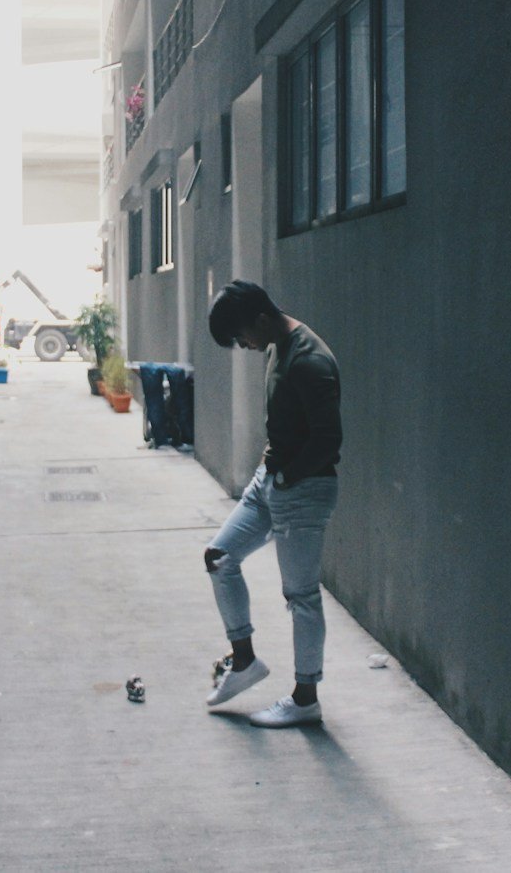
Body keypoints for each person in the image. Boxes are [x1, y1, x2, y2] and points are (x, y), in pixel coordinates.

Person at [202, 280, 342, 727]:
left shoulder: (310, 360)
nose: (244, 346)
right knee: (220, 557)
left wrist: (287, 478)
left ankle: (305, 700)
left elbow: (328, 440)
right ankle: (244, 661)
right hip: (273, 481)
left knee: (301, 597)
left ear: (260, 319)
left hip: (302, 489)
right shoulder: (275, 344)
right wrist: (273, 474)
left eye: (242, 337)